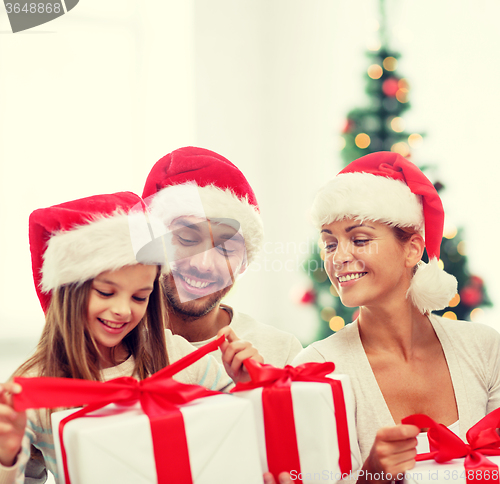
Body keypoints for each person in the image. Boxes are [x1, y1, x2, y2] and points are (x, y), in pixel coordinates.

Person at [0, 191, 261, 484]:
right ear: (69, 291)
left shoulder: (177, 355)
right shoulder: (36, 388)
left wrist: (248, 388)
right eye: (106, 292)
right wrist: (6, 457)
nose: (123, 310)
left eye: (139, 297)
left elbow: (240, 439)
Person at [292, 151, 500, 482]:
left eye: (359, 239)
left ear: (412, 249)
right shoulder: (317, 370)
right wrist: (371, 476)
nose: (339, 257)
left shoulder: (484, 348)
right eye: (329, 244)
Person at [142, 146, 303, 368]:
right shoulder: (105, 344)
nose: (203, 264)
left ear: (244, 263)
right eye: (187, 239)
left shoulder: (281, 353)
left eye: (226, 249)